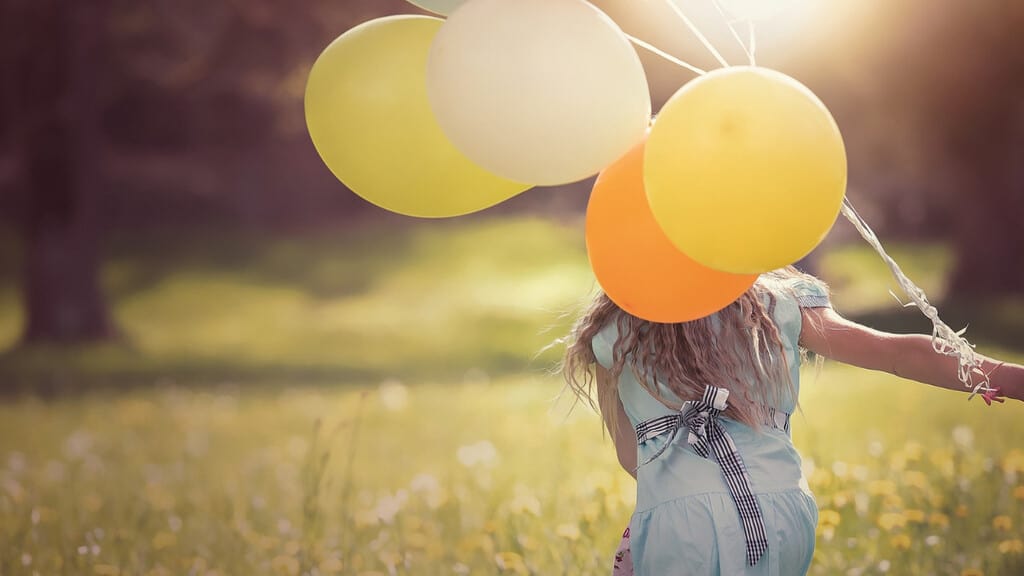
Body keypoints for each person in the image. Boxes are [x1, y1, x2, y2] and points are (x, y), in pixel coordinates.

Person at [562, 266, 1024, 576]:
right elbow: (893, 351)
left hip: (681, 521)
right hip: (779, 508)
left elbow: (631, 457)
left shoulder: (614, 329)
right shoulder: (773, 300)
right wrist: (998, 375)